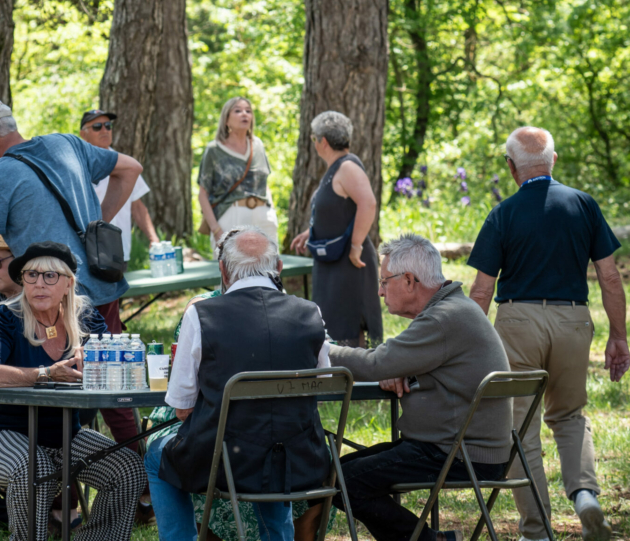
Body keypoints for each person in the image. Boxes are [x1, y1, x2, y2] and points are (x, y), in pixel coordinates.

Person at [468, 126, 629, 541]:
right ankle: (586, 497)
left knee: (521, 427)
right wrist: (619, 336)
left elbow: (483, 289)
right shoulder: (584, 205)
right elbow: (609, 278)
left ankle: (537, 530)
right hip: (574, 320)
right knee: (570, 415)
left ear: (510, 167)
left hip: (518, 322)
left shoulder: (502, 214)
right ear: (553, 160)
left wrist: (465, 346)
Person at [144, 227, 332, 541]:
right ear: (279, 268)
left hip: (224, 460)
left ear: (223, 271)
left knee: (155, 453)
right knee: (275, 452)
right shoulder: (309, 313)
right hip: (302, 460)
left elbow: (181, 408)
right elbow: (324, 388)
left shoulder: (201, 315)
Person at [326, 233, 512, 541]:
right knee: (339, 473)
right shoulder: (453, 309)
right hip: (459, 447)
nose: (380, 291)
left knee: (343, 480)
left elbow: (375, 364)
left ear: (410, 280)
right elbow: (393, 363)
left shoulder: (442, 319)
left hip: (459, 454)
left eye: (385, 282)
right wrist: (401, 368)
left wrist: (319, 349)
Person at [0, 241, 146, 541]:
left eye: (50, 276)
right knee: (33, 467)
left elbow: (113, 365)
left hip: (64, 438)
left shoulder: (85, 318)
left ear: (68, 283)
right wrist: (45, 373)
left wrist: (96, 367)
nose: (39, 284)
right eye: (31, 275)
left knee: (126, 469)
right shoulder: (4, 317)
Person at [0, 95, 142, 339]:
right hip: (104, 284)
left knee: (61, 376)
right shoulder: (67, 143)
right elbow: (131, 168)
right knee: (111, 372)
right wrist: (97, 226)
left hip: (54, 301)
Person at [291, 111, 383, 347]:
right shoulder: (336, 168)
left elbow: (368, 203)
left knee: (347, 327)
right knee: (335, 327)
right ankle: (344, 378)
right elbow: (337, 211)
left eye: (313, 140)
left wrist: (356, 245)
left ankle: (358, 379)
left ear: (322, 141)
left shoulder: (348, 167)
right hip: (333, 262)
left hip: (349, 263)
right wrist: (310, 233)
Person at [197, 97, 278, 253]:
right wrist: (216, 229)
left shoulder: (258, 145)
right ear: (226, 119)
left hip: (263, 215)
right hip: (231, 216)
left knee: (270, 270)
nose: (244, 114)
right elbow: (203, 194)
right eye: (238, 110)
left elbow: (264, 183)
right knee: (233, 272)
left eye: (248, 111)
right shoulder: (214, 150)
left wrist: (271, 211)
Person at [79, 108, 159, 259]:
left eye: (108, 125)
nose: (104, 130)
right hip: (90, 251)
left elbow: (137, 207)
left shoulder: (126, 165)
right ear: (83, 134)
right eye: (97, 127)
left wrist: (153, 238)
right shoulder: (79, 166)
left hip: (120, 251)